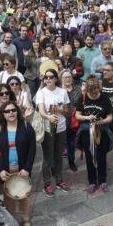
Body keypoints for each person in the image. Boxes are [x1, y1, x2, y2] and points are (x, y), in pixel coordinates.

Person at [0, 102, 36, 226]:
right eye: (7, 111)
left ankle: (25, 218)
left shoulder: (27, 127)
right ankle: (12, 219)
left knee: (24, 195)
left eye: (13, 110)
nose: (11, 113)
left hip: (22, 169)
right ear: (3, 115)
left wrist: (27, 168)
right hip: (5, 171)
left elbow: (32, 150)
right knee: (9, 197)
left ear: (17, 112)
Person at [34, 68, 70, 196]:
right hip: (48, 129)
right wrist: (49, 117)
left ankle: (59, 180)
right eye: (46, 77)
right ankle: (47, 183)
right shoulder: (41, 93)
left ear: (56, 79)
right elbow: (42, 111)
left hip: (60, 127)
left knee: (59, 155)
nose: (48, 79)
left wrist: (58, 109)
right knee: (48, 157)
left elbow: (67, 110)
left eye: (51, 77)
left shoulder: (62, 92)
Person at [75, 76, 113, 194]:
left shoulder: (105, 99)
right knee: (89, 156)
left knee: (101, 156)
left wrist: (100, 121)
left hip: (101, 130)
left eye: (95, 93)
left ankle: (102, 181)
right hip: (87, 130)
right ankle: (92, 181)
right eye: (91, 93)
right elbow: (77, 115)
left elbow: (110, 117)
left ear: (99, 89)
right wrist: (87, 117)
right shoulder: (83, 97)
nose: (93, 95)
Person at [60, 69, 82, 173]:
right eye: (65, 77)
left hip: (74, 120)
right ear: (61, 79)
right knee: (57, 143)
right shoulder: (58, 90)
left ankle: (71, 161)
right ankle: (55, 165)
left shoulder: (78, 89)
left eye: (69, 77)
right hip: (60, 119)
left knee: (71, 142)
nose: (67, 79)